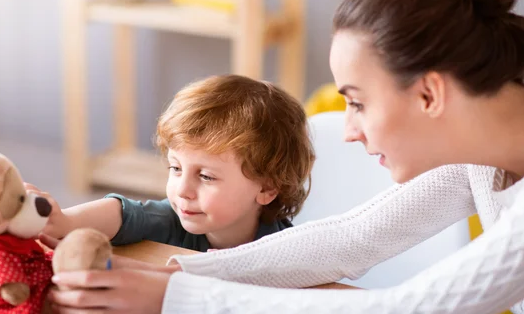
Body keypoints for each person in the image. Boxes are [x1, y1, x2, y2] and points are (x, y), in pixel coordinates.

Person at [46, 0, 524, 314]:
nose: (348, 130)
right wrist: (185, 272)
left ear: (429, 95)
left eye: (357, 102)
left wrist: (175, 301)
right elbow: (352, 239)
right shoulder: (482, 158)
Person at [28, 74, 314, 254]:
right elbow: (123, 213)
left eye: (206, 176)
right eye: (176, 169)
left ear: (267, 188)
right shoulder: (177, 218)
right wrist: (65, 221)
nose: (183, 191)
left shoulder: (286, 251)